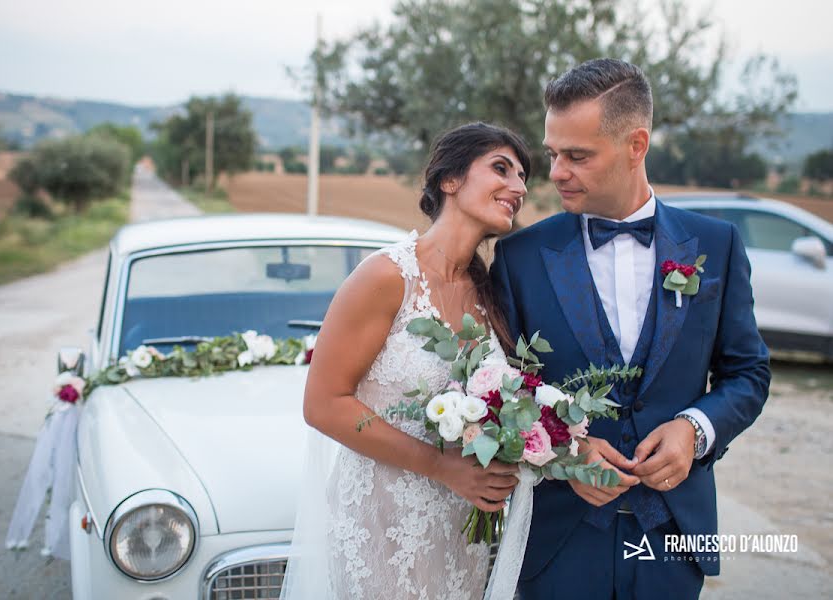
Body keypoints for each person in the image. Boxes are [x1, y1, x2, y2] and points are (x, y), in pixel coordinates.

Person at [491, 58, 771, 600]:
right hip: (557, 543)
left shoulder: (716, 245)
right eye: (553, 154)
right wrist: (562, 451)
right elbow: (500, 386)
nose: (556, 172)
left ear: (636, 144)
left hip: (671, 538)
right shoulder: (519, 257)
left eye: (578, 156)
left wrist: (696, 428)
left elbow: (748, 373)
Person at [285, 122, 530, 599]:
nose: (518, 188)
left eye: (523, 178)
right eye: (502, 169)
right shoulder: (386, 276)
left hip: (459, 533)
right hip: (382, 524)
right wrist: (444, 468)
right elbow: (323, 405)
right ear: (450, 180)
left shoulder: (492, 296)